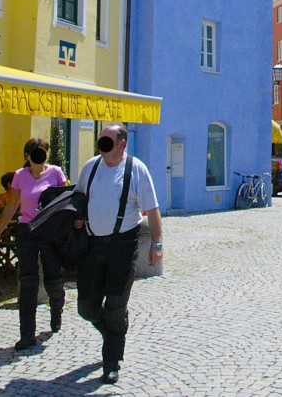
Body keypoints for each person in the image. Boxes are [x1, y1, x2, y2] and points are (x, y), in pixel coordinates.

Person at [72, 124, 162, 385]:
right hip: (91, 245)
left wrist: (157, 244)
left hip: (123, 245)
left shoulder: (136, 169)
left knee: (115, 304)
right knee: (86, 308)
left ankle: (111, 360)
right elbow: (78, 198)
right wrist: (76, 218)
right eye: (101, 140)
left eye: (107, 140)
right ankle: (114, 330)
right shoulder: (90, 166)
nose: (102, 145)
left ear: (122, 143)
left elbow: (153, 210)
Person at [0, 138, 68, 351]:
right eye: (35, 153)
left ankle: (57, 306)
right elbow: (11, 207)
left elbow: (67, 202)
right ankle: (27, 334)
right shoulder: (19, 176)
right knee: (28, 281)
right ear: (27, 156)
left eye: (42, 153)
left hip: (49, 231)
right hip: (27, 231)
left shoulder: (56, 174)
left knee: (52, 278)